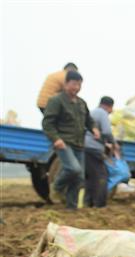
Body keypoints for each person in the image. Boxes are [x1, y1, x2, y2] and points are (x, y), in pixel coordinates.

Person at [42, 71, 99, 210]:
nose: (76, 87)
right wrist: (56, 139)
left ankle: (71, 207)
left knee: (79, 178)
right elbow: (47, 123)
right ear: (66, 84)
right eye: (74, 84)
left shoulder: (81, 103)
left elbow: (89, 120)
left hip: (79, 143)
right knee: (73, 168)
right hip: (64, 142)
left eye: (79, 84)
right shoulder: (56, 100)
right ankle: (56, 187)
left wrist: (94, 129)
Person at [83, 96, 116, 208]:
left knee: (90, 177)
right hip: (94, 148)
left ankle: (88, 203)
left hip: (85, 147)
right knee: (102, 176)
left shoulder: (92, 112)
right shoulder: (103, 114)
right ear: (109, 107)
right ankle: (100, 204)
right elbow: (107, 131)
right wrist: (113, 143)